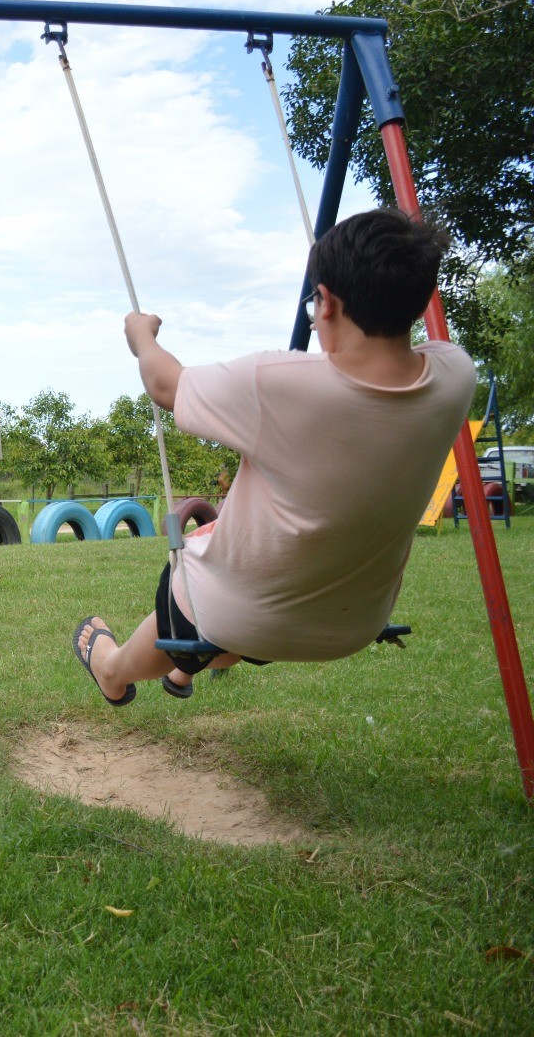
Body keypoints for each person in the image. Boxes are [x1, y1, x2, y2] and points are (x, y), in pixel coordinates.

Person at [73, 208, 476, 704]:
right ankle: (187, 669)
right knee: (217, 536)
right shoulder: (456, 377)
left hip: (243, 617)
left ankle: (114, 670)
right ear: (417, 303)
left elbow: (163, 383)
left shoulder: (277, 384)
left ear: (325, 303)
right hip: (354, 623)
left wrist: (142, 336)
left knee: (201, 584)